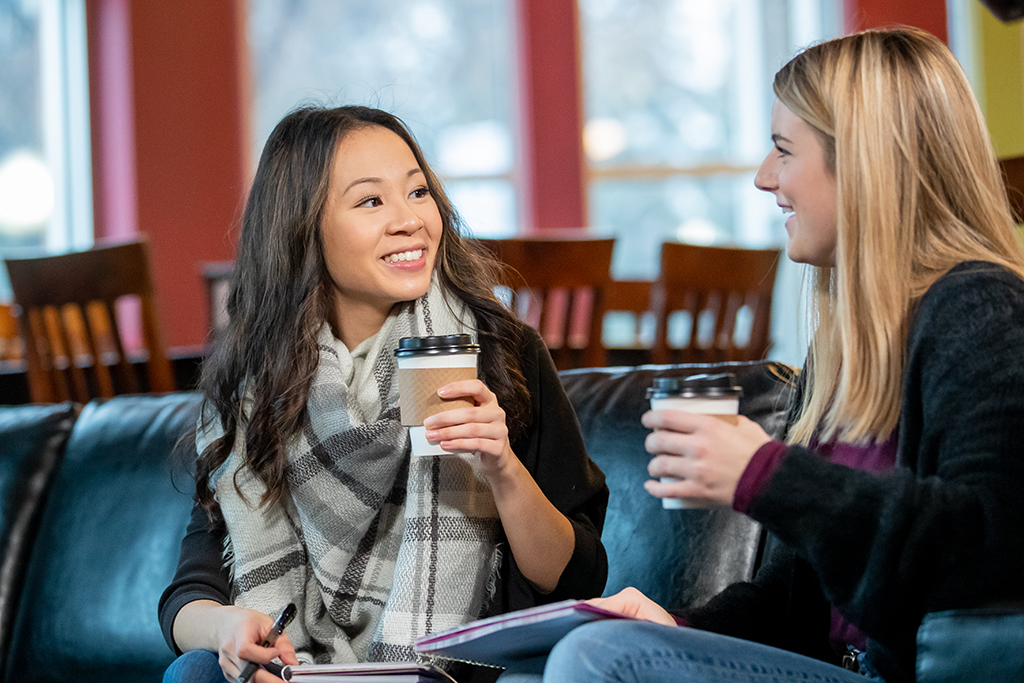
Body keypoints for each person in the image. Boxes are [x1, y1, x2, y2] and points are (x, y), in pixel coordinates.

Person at [535, 26, 1024, 683]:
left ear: (862, 162)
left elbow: (987, 549)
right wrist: (676, 630)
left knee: (591, 659)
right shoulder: (847, 347)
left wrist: (770, 474)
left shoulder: (982, 312)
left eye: (784, 151)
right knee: (545, 664)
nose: (766, 179)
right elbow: (792, 607)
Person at [157, 105, 608, 683]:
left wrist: (503, 471)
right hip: (299, 671)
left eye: (419, 193)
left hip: (451, 673)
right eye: (371, 201)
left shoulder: (500, 351)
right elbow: (190, 591)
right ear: (302, 227)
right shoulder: (255, 390)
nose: (410, 220)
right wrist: (226, 631)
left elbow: (577, 580)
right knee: (195, 672)